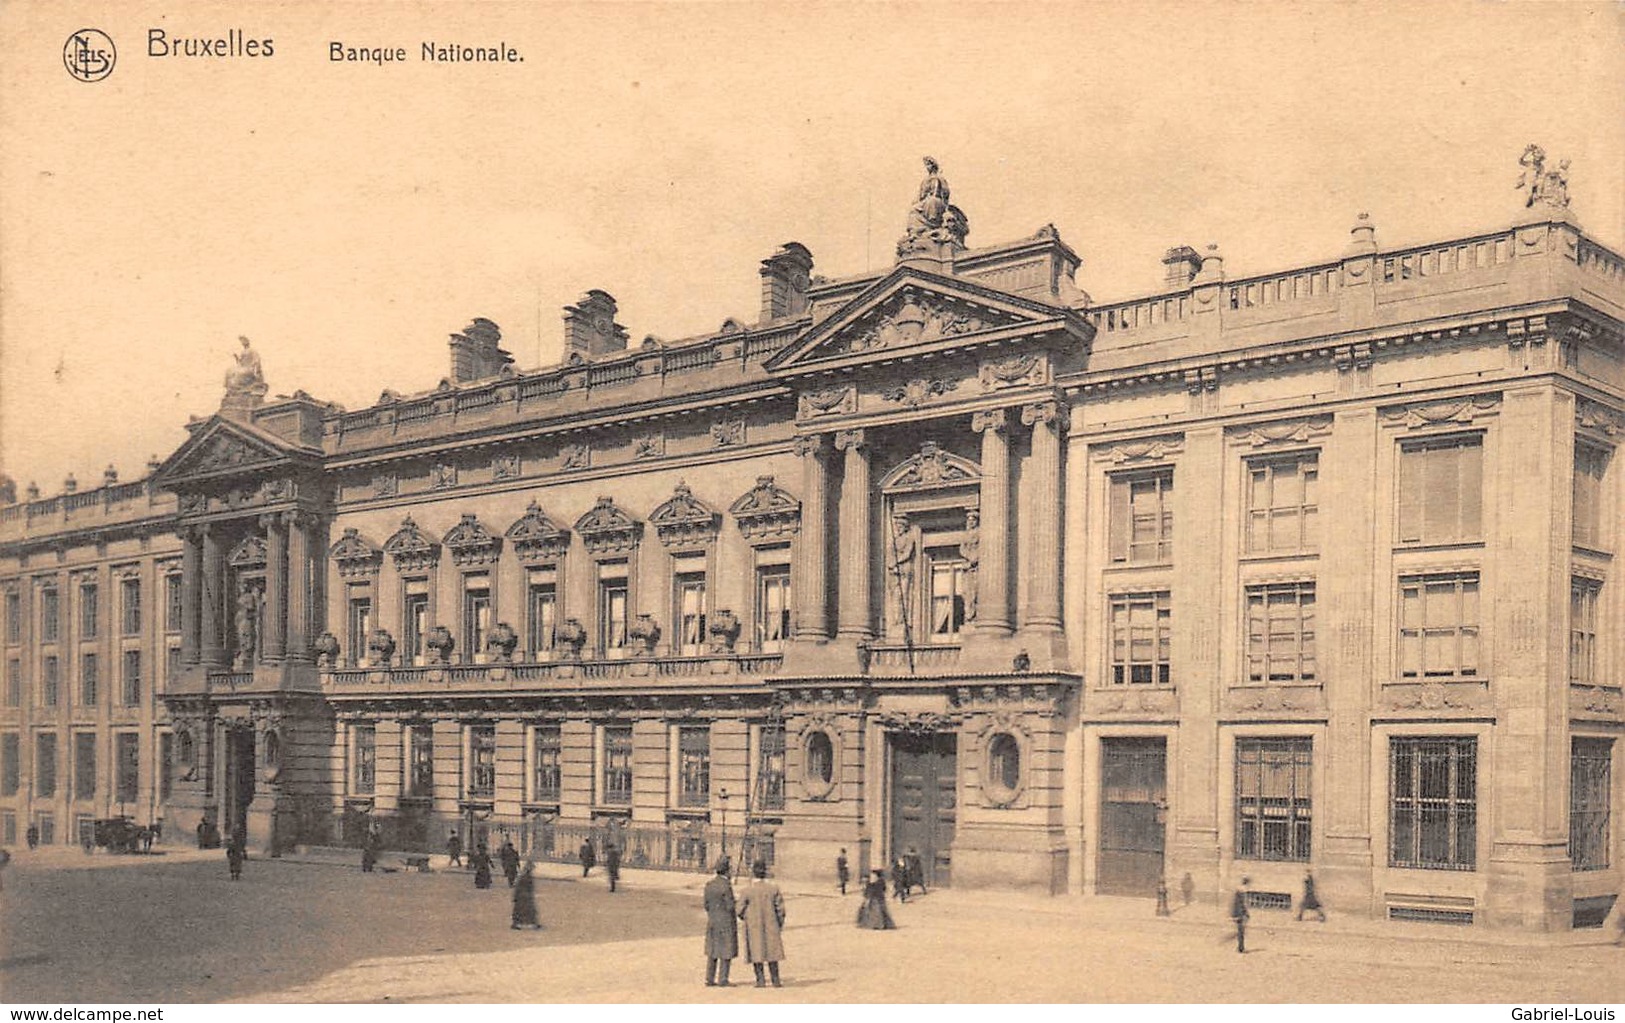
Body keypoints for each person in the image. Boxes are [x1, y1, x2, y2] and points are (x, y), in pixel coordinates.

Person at [737, 860, 786, 988]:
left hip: (754, 926)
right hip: (771, 925)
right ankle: (776, 980)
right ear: (765, 872)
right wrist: (778, 924)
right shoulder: (773, 889)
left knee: (756, 951)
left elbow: (739, 910)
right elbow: (781, 910)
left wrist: (747, 918)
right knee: (772, 952)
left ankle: (760, 980)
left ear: (753, 873)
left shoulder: (747, 890)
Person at [703, 857, 738, 986]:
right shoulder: (726, 886)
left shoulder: (709, 885)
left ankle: (709, 978)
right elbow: (730, 906)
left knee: (712, 950)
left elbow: (706, 905)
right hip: (726, 921)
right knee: (726, 950)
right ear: (727, 871)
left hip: (713, 921)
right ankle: (723, 979)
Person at [511, 861, 541, 930]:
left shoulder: (523, 875)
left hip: (523, 895)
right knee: (526, 910)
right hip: (523, 896)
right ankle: (518, 923)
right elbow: (522, 886)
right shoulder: (525, 876)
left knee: (525, 910)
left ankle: (531, 923)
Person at [1230, 876, 1251, 953]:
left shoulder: (1239, 890)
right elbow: (1241, 904)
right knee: (1241, 931)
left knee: (1240, 931)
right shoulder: (1242, 891)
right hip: (1240, 914)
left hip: (1238, 913)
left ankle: (1240, 947)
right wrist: (1245, 913)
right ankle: (1240, 948)